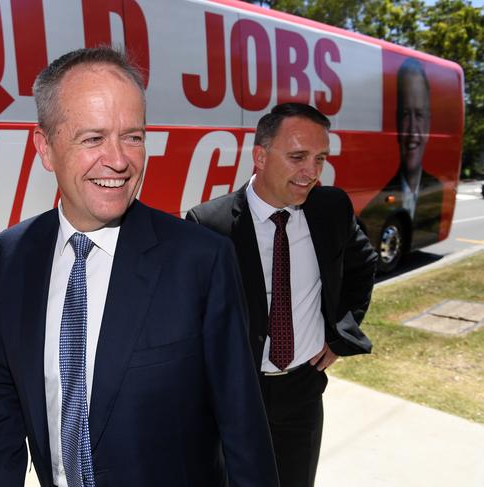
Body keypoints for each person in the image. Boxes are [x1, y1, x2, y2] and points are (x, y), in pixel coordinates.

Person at [0, 47, 278, 487]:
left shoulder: (201, 260)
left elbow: (243, 425)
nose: (119, 160)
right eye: (93, 138)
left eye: (133, 136)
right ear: (44, 147)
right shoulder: (14, 253)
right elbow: (2, 387)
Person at [187, 103, 377, 487]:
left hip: (301, 392)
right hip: (235, 397)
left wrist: (340, 334)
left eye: (319, 158)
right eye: (297, 157)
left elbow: (362, 266)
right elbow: (192, 319)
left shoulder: (331, 208)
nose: (311, 172)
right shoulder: (209, 224)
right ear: (260, 156)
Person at [360, 58, 443, 269]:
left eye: (420, 115)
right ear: (396, 120)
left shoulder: (437, 189)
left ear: (430, 122)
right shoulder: (372, 209)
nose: (413, 131)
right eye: (406, 115)